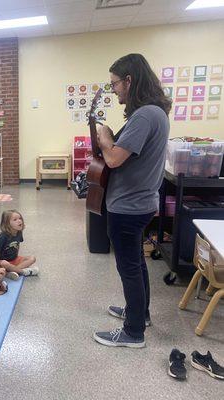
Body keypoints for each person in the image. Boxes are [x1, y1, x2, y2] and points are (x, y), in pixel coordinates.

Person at [93, 53, 171, 348]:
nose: (113, 90)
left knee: (129, 267)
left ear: (130, 80)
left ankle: (133, 332)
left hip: (128, 206)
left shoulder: (145, 115)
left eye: (115, 84)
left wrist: (105, 136)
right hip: (140, 203)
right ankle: (141, 313)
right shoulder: (155, 113)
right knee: (136, 263)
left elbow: (113, 158)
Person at [0, 209, 39, 278]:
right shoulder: (3, 236)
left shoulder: (19, 232)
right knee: (4, 263)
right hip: (3, 262)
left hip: (14, 259)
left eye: (20, 218)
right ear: (7, 224)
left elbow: (17, 245)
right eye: (15, 220)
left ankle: (12, 271)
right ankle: (23, 272)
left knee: (32, 258)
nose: (19, 221)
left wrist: (16, 258)